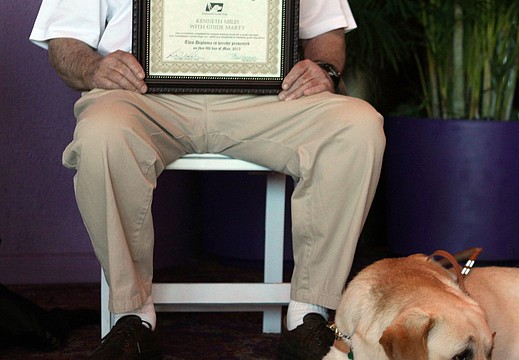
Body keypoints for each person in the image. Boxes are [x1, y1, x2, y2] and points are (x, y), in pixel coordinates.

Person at [29, 0, 385, 359]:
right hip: (141, 97)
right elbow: (65, 44)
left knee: (357, 127)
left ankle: (309, 314)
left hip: (268, 98)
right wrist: (95, 69)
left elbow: (327, 30)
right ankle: (133, 318)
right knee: (101, 135)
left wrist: (323, 68)